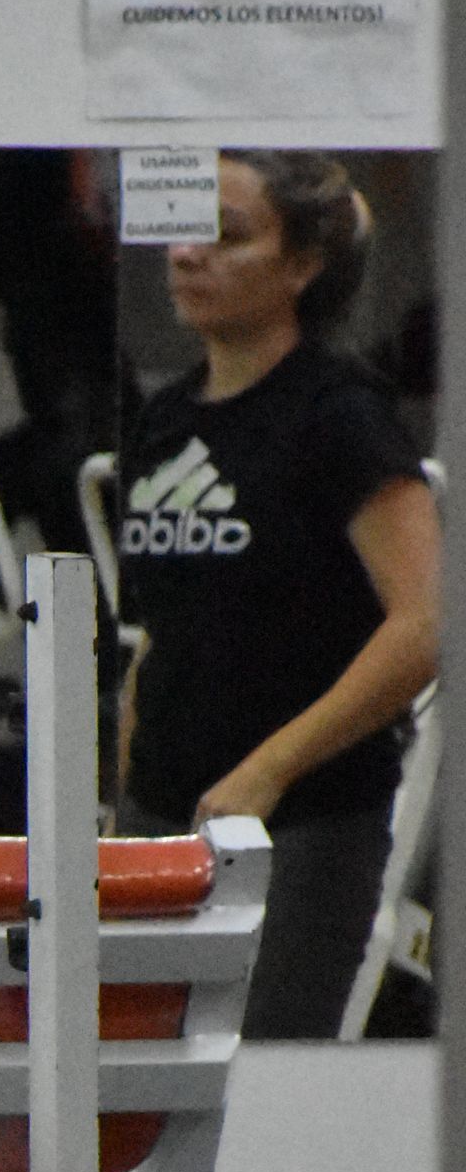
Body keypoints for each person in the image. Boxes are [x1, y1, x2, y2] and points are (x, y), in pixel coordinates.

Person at [117, 150, 441, 1038]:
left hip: (302, 828)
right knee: (138, 1090)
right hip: (161, 815)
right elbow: (159, 628)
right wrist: (125, 794)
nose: (187, 254)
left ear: (303, 265)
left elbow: (426, 625)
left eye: (226, 235)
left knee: (256, 1094)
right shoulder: (162, 420)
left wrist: (269, 769)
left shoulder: (339, 417)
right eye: (181, 230)